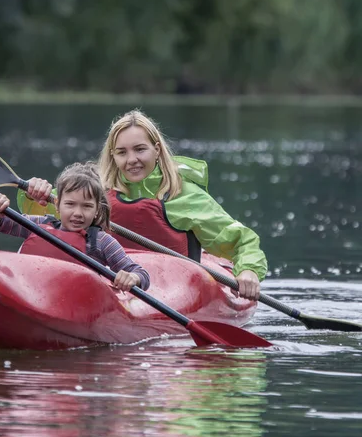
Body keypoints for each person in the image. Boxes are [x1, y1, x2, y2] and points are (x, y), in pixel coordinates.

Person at [20, 110, 267, 300]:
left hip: (171, 293)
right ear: (113, 156)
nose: (132, 160)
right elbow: (47, 216)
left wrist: (248, 272)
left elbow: (243, 240)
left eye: (140, 150)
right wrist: (34, 195)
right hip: (107, 286)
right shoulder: (94, 193)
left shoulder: (184, 196)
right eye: (122, 153)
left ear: (157, 150)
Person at [0, 162, 150, 292]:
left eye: (86, 206)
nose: (78, 213)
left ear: (97, 209)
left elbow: (141, 274)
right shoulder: (39, 225)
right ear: (57, 205)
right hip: (29, 292)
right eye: (70, 204)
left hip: (75, 305)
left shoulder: (102, 242)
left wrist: (132, 278)